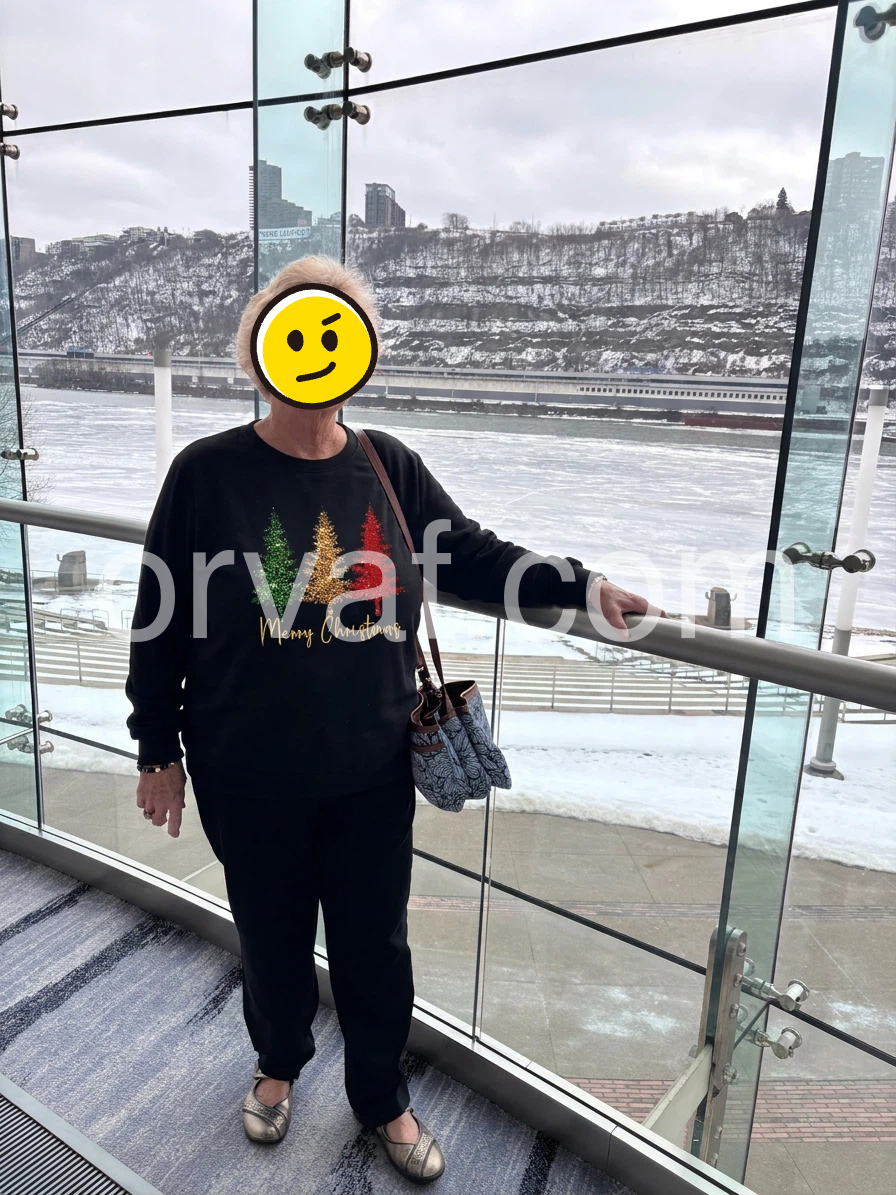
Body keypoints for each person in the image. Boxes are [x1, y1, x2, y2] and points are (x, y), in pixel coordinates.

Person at [126, 255, 657, 1183]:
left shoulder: (387, 465)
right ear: (260, 352)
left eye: (338, 330)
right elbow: (158, 618)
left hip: (371, 767)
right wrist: (156, 747)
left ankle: (382, 1097)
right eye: (297, 331)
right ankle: (278, 1065)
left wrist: (582, 585)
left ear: (359, 351)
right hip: (246, 768)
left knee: (376, 946)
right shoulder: (206, 473)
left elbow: (472, 555)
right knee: (271, 936)